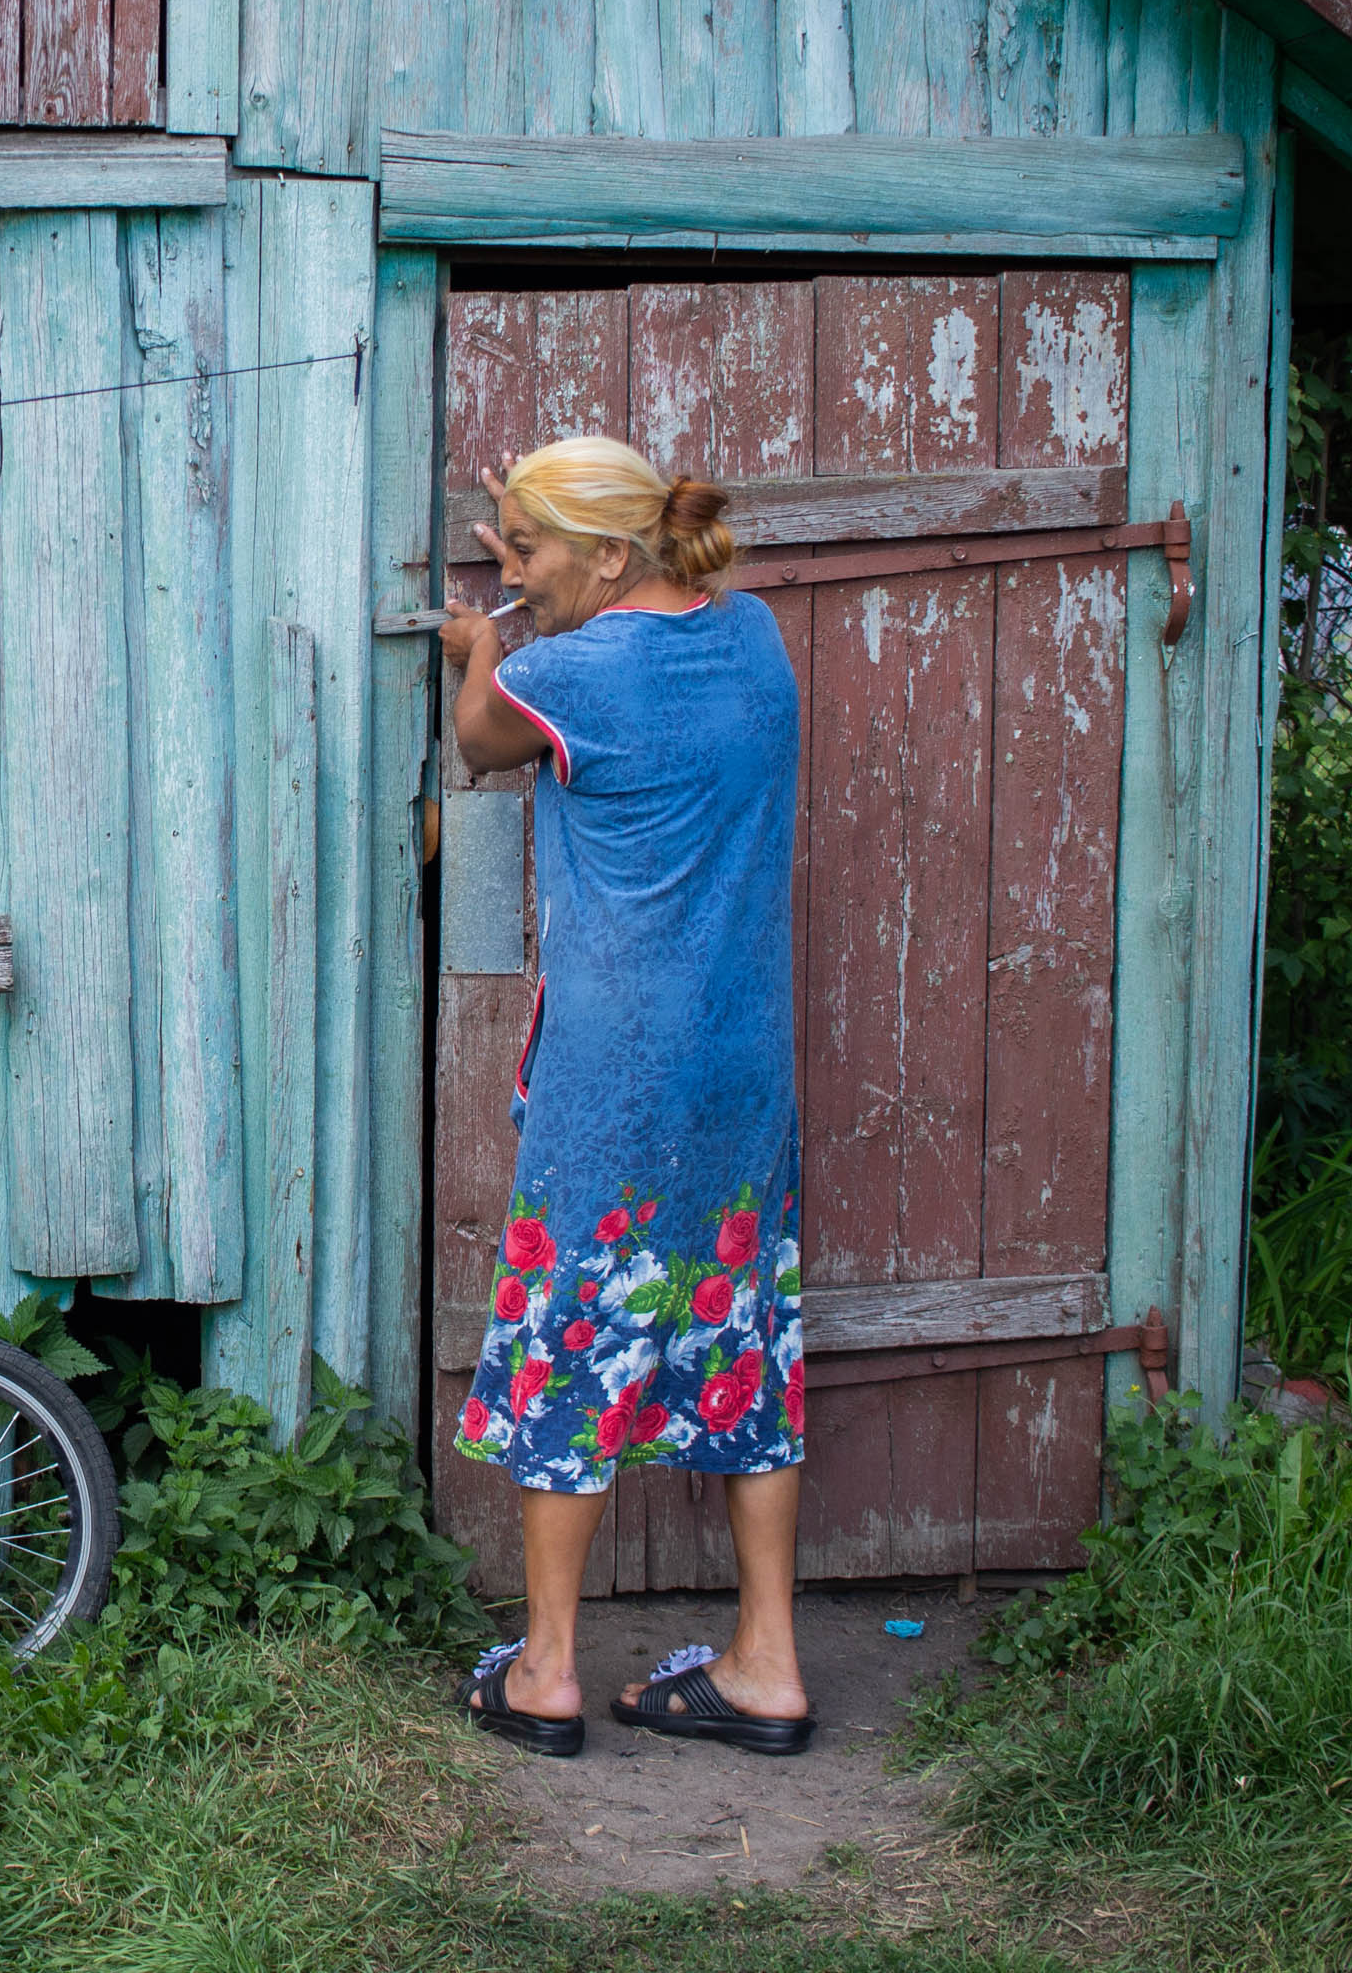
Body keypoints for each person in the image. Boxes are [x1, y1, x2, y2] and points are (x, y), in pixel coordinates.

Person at [436, 434, 813, 1759]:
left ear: (608, 553)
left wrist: (485, 637)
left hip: (613, 1078)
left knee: (573, 1340)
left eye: (533, 550)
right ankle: (767, 1663)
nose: (520, 572)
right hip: (741, 1070)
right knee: (745, 1334)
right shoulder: (754, 639)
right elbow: (635, 625)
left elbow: (481, 739)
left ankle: (546, 1669)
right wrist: (540, 576)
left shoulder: (564, 676)